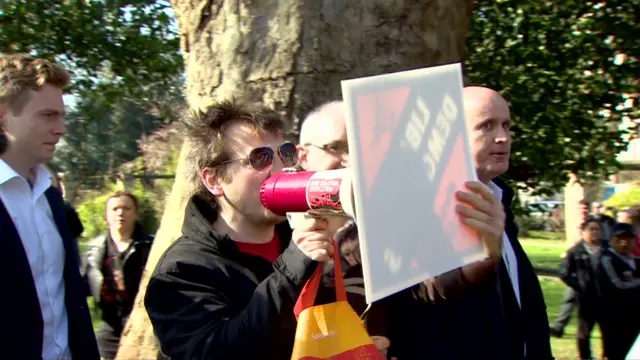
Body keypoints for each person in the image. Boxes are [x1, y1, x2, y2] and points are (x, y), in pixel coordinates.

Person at [298, 99, 510, 357]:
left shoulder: (383, 224)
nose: (351, 161)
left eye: (360, 149)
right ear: (303, 156)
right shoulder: (280, 229)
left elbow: (426, 287)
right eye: (337, 148)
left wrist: (484, 257)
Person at [144, 99, 339, 360]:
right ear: (214, 180)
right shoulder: (181, 271)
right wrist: (292, 270)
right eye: (261, 158)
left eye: (286, 153)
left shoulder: (297, 243)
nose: (281, 169)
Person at [387, 86, 553, 360]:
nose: (503, 138)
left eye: (506, 126)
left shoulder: (500, 203)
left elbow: (524, 312)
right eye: (486, 126)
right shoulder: (421, 214)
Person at [0, 53, 99, 359]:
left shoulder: (50, 197)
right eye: (48, 115)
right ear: (2, 115)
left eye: (61, 116)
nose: (61, 129)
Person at [84, 191, 154, 360]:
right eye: (114, 209)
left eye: (126, 208)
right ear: (106, 215)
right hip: (111, 323)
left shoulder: (151, 247)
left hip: (144, 322)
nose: (120, 213)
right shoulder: (95, 249)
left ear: (136, 214)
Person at [559, 217, 605, 359]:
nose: (594, 232)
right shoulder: (575, 251)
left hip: (606, 297)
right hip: (587, 298)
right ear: (584, 232)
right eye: (591, 229)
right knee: (584, 332)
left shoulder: (606, 249)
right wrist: (579, 285)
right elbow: (564, 272)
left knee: (608, 330)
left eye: (597, 229)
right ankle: (585, 356)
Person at [597, 223, 640, 360]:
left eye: (628, 238)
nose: (624, 242)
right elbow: (617, 285)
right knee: (616, 351)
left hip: (634, 315)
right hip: (614, 316)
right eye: (620, 238)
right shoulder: (607, 259)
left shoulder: (636, 261)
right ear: (612, 240)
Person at [550, 199, 591, 337]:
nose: (582, 211)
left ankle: (559, 326)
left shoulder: (591, 222)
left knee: (574, 299)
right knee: (569, 297)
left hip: (586, 266)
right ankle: (558, 326)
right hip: (575, 265)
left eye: (584, 208)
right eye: (580, 208)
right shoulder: (575, 222)